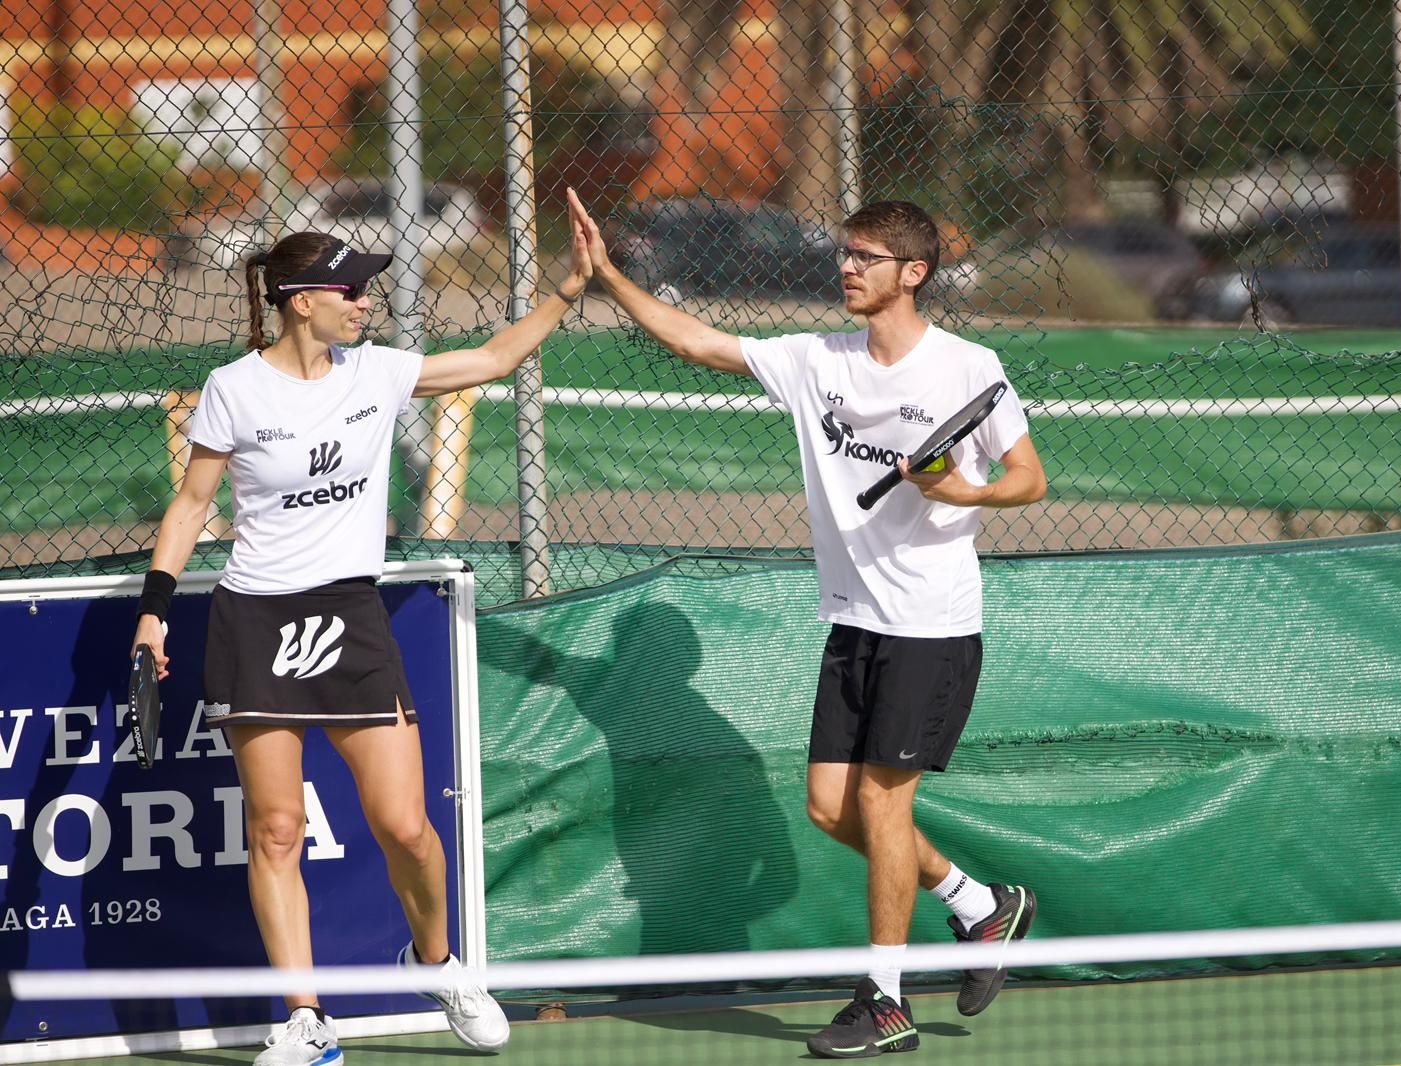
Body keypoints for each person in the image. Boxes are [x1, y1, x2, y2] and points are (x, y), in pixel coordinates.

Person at [567, 189, 1047, 1058]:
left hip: (930, 625)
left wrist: (962, 489)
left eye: (865, 258)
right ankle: (980, 906)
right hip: (856, 621)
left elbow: (1029, 478)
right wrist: (607, 275)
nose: (846, 268)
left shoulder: (968, 367)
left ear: (914, 272)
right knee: (831, 808)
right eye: (845, 253)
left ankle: (885, 1001)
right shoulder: (816, 359)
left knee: (882, 804)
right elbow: (697, 341)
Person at [129, 202, 591, 1066]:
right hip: (255, 620)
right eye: (352, 290)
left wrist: (566, 290)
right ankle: (307, 1021)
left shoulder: (376, 372)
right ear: (301, 300)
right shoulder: (234, 389)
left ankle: (438, 964)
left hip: (351, 617)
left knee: (407, 827)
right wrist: (153, 611)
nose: (366, 302)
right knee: (276, 829)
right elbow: (191, 506)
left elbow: (492, 358)